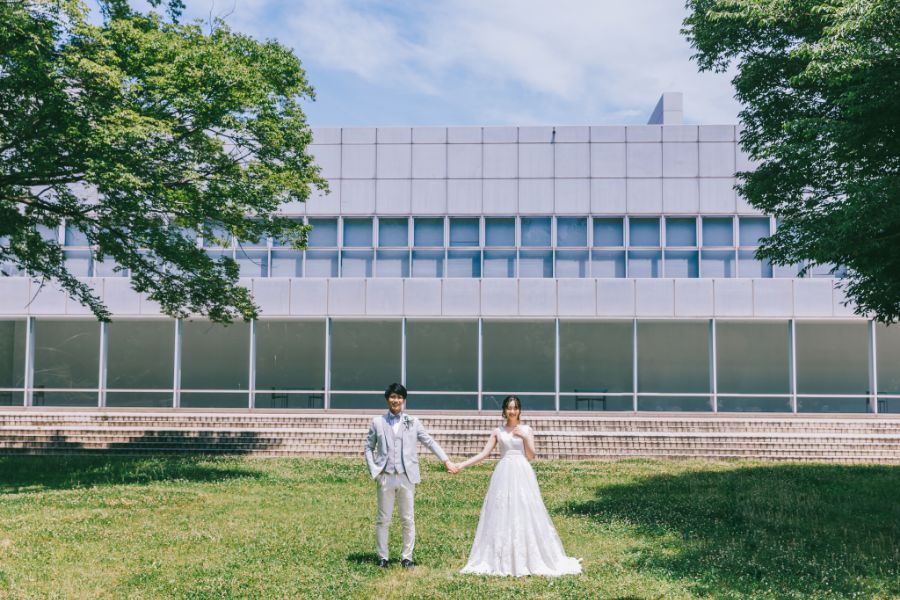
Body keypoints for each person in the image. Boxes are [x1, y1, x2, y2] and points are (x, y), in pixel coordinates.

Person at [456, 395, 582, 577]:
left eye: (515, 408)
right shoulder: (498, 431)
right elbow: (483, 454)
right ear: (504, 410)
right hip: (504, 472)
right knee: (502, 511)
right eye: (509, 408)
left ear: (519, 410)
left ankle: (528, 555)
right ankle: (501, 556)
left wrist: (524, 437)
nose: (512, 411)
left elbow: (531, 455)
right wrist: (461, 465)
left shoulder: (526, 429)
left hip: (522, 471)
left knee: (525, 509)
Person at [364, 382, 458, 569]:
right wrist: (374, 470)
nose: (395, 400)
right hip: (385, 476)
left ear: (404, 400)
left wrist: (446, 460)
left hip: (407, 477)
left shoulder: (412, 422)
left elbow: (429, 442)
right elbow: (368, 447)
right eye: (392, 396)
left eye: (399, 397)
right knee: (384, 518)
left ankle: (407, 557)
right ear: (387, 399)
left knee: (408, 518)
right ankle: (383, 556)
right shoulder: (377, 422)